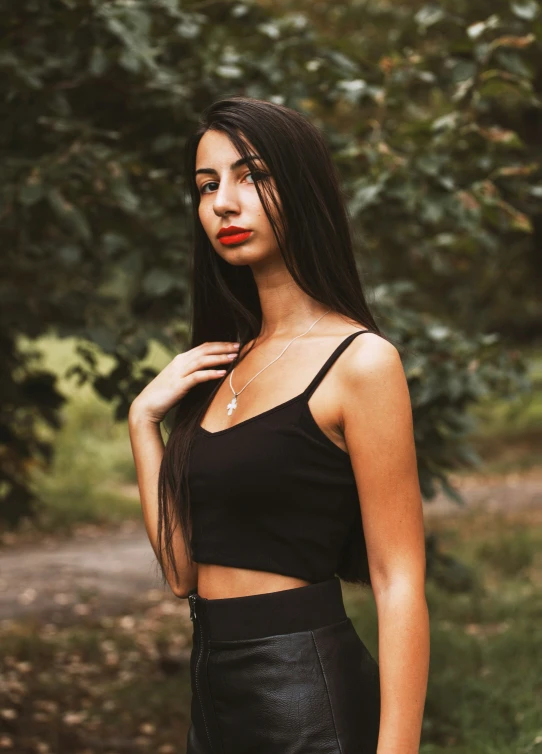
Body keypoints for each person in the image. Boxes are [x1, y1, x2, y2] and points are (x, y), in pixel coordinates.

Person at [128, 95, 429, 754]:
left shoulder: (361, 362)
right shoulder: (222, 366)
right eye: (207, 186)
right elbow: (181, 573)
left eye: (250, 176)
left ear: (301, 187)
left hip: (307, 697)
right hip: (214, 691)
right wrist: (143, 420)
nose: (223, 203)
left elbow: (397, 578)